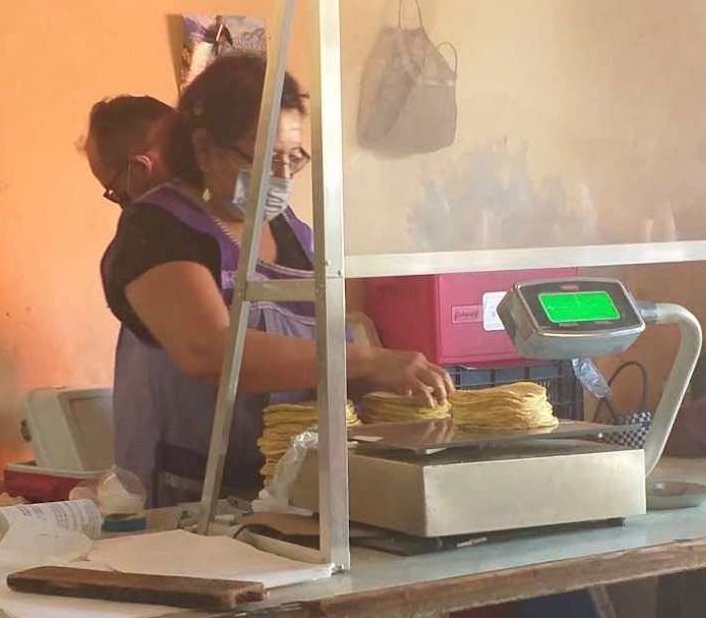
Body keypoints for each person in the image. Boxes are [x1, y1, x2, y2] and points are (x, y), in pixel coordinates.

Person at [87, 54, 453, 506]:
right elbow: (209, 352)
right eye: (263, 159)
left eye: (292, 159)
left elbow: (323, 353)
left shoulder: (293, 233)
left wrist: (394, 391)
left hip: (298, 487)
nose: (281, 177)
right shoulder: (158, 229)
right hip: (194, 497)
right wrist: (365, 361)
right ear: (203, 149)